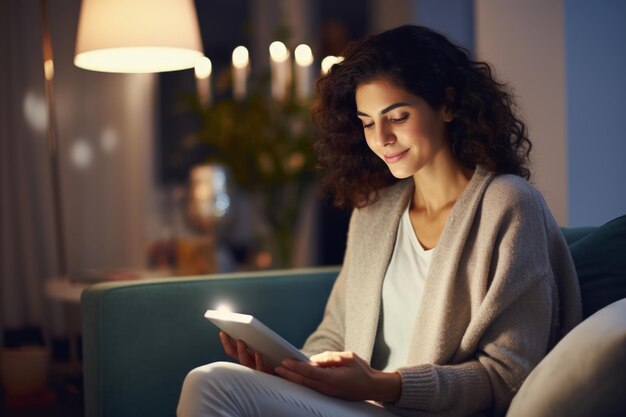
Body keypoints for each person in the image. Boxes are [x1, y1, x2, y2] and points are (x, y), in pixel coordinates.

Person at [177, 25, 582, 417]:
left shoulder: (509, 206)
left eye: (398, 116)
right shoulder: (374, 213)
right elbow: (334, 334)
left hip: (416, 409)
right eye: (368, 122)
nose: (381, 138)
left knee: (213, 382)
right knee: (220, 379)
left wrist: (381, 384)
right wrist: (290, 370)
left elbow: (508, 375)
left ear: (447, 103)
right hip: (355, 406)